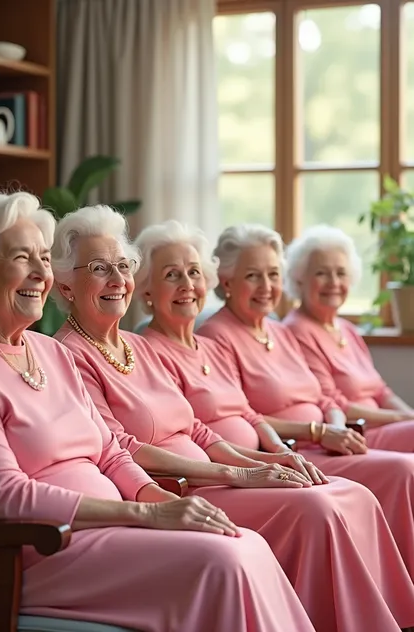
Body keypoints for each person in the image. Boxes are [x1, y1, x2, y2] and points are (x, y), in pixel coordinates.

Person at [0, 191, 321, 632]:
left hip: (102, 533)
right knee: (223, 561)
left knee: (243, 543)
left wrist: (167, 502)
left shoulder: (49, 352)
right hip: (30, 552)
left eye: (44, 258)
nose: (41, 273)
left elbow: (112, 453)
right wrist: (147, 515)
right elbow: (7, 496)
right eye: (23, 258)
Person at [52, 205, 414, 632]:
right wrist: (240, 471)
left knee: (351, 493)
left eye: (121, 266)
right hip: (185, 486)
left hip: (221, 472)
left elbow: (198, 429)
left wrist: (266, 461)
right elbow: (119, 450)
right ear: (66, 285)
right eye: (98, 268)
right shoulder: (67, 353)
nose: (116, 279)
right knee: (317, 506)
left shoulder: (137, 346)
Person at [197, 222, 414, 583]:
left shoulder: (279, 332)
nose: (266, 287)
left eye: (272, 274)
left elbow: (326, 395)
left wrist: (335, 424)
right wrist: (318, 431)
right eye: (253, 275)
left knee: (399, 471)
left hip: (329, 442)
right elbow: (243, 417)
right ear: (227, 281)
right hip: (296, 451)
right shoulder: (216, 336)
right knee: (403, 470)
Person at [284, 224, 414, 454]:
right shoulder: (296, 331)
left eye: (340, 273)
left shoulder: (347, 329)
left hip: (387, 427)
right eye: (321, 273)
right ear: (299, 279)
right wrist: (400, 418)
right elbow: (332, 402)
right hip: (355, 434)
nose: (333, 282)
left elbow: (381, 392)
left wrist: (409, 416)